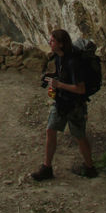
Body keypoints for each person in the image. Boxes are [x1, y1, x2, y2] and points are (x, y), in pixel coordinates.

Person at [31, 28, 98, 180]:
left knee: (80, 136)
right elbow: (61, 75)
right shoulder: (59, 57)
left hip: (74, 105)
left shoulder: (73, 62)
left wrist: (59, 84)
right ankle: (47, 167)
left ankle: (90, 167)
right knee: (50, 130)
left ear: (61, 44)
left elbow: (81, 89)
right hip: (61, 102)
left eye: (52, 41)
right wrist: (51, 79)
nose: (49, 42)